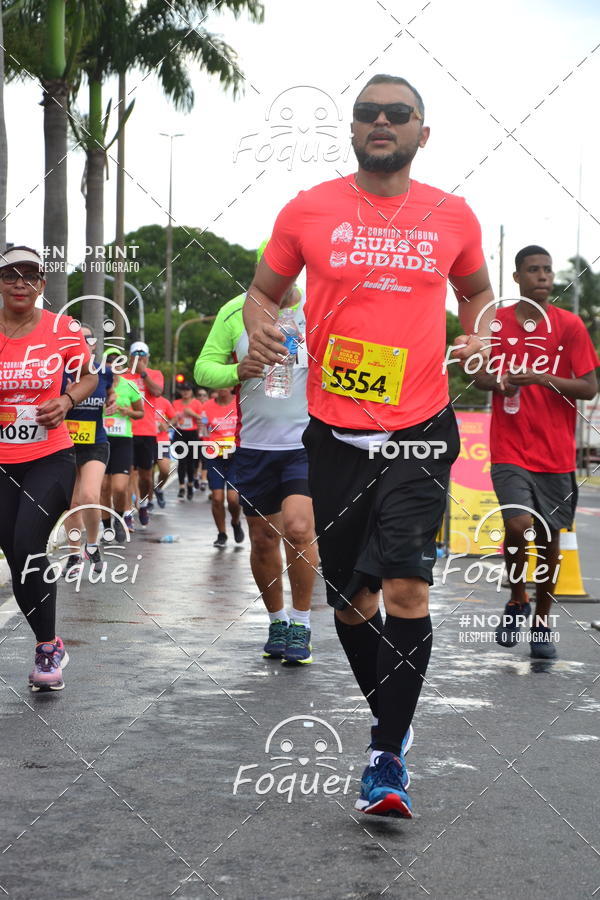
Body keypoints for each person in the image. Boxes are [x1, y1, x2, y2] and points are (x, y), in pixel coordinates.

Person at [244, 74, 493, 818]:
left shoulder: (453, 216)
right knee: (351, 601)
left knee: (408, 589)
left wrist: (477, 332)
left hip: (420, 430)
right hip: (336, 436)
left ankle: (386, 756)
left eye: (398, 114)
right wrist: (261, 321)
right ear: (351, 130)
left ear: (423, 132)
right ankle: (395, 716)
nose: (381, 122)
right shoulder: (308, 210)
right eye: (366, 113)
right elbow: (266, 289)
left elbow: (476, 293)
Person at [195, 242, 317, 663]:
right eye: (272, 268)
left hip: (306, 444)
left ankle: (302, 625)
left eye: (289, 268)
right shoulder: (234, 311)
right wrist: (235, 370)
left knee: (300, 530)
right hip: (254, 446)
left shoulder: (320, 308)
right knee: (264, 539)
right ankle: (278, 621)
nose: (281, 276)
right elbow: (202, 368)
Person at [474, 246, 599, 658]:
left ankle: (542, 619)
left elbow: (589, 386)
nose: (543, 276)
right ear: (517, 278)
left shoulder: (568, 325)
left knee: (547, 541)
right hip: (510, 448)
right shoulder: (497, 324)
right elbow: (478, 379)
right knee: (517, 525)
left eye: (547, 269)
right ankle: (516, 598)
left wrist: (545, 379)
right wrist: (499, 382)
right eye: (534, 270)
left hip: (556, 454)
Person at [0, 246, 97, 691]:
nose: (20, 282)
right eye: (9, 274)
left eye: (30, 275)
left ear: (42, 284)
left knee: (27, 541)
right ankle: (49, 639)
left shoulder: (63, 329)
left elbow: (90, 375)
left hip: (49, 456)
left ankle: (45, 650)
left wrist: (67, 399)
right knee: (16, 554)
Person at [63, 324, 116, 574]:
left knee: (90, 497)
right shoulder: (59, 373)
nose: (84, 342)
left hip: (95, 443)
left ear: (94, 345)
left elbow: (111, 394)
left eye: (88, 339)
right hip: (66, 444)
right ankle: (74, 555)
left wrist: (113, 401)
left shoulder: (105, 372)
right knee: (71, 503)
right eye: (78, 338)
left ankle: (92, 545)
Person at [101, 346, 144, 542]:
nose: (112, 368)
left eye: (116, 363)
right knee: (103, 487)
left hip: (123, 440)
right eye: (109, 363)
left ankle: (119, 519)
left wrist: (127, 411)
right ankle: (107, 527)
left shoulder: (129, 386)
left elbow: (140, 413)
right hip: (101, 439)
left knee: (119, 487)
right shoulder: (97, 385)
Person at [122, 340, 164, 526]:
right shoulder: (122, 376)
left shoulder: (155, 374)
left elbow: (157, 392)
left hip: (147, 432)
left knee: (146, 476)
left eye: (142, 357)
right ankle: (128, 511)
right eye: (135, 356)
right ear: (130, 358)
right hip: (126, 431)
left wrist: (143, 373)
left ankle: (145, 503)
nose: (139, 360)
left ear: (147, 358)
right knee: (128, 474)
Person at [201, 387, 244, 547]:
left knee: (233, 499)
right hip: (215, 457)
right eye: (219, 385)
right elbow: (204, 433)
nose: (222, 389)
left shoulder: (239, 403)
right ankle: (222, 533)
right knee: (217, 498)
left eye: (226, 385)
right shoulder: (207, 407)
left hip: (235, 457)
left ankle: (235, 521)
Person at [172, 382, 204, 500]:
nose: (185, 392)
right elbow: (171, 418)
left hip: (193, 434)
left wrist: (193, 414)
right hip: (179, 433)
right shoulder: (175, 403)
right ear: (180, 392)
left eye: (188, 390)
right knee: (181, 461)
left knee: (192, 461)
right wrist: (174, 419)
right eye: (183, 390)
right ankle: (181, 487)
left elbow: (204, 419)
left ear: (191, 392)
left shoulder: (197, 403)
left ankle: (190, 484)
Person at [153, 392, 176, 507]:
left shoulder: (164, 401)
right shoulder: (139, 399)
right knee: (147, 475)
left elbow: (174, 418)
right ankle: (146, 501)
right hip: (146, 440)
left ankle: (158, 489)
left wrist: (167, 425)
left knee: (165, 470)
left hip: (162, 441)